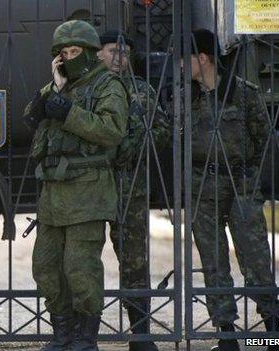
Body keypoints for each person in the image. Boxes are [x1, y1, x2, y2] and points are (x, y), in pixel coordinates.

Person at [24, 20, 129, 351]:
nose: (69, 58)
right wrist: (54, 89)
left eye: (74, 52)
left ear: (91, 52)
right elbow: (31, 117)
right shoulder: (59, 84)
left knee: (80, 270)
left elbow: (112, 130)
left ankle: (86, 338)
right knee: (46, 268)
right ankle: (63, 334)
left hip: (87, 191)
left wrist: (70, 112)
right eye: (63, 53)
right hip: (53, 195)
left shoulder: (106, 85)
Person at [184, 29, 279, 351]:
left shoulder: (244, 93)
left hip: (240, 184)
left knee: (255, 256)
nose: (181, 67)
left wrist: (249, 179)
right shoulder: (185, 98)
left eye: (185, 59)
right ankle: (226, 334)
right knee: (214, 263)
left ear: (203, 58)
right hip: (203, 185)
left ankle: (271, 329)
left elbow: (261, 138)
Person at [96, 30, 171, 351]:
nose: (119, 57)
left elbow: (162, 129)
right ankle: (81, 332)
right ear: (98, 53)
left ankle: (140, 331)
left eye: (125, 52)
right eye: (113, 50)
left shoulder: (142, 90)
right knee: (82, 261)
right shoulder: (88, 90)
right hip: (91, 188)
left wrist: (131, 146)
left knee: (135, 262)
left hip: (132, 191)